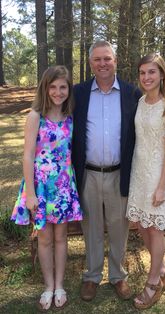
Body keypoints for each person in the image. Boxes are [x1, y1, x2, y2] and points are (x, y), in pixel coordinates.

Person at [72, 40, 142, 301]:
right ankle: (91, 276)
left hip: (118, 173)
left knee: (118, 227)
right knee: (91, 227)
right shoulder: (77, 93)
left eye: (107, 58)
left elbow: (143, 130)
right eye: (97, 59)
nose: (102, 63)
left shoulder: (130, 93)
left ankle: (118, 275)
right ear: (90, 63)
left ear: (115, 61)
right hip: (88, 173)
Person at [11, 65, 83, 311]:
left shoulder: (70, 117)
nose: (58, 92)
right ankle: (48, 286)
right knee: (44, 239)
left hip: (63, 186)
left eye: (62, 87)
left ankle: (60, 285)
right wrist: (30, 193)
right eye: (52, 86)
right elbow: (28, 155)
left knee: (61, 238)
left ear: (68, 89)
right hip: (40, 188)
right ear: (45, 88)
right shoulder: (35, 116)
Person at [126, 53, 165, 310]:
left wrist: (162, 186)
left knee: (154, 228)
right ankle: (163, 269)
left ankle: (153, 283)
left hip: (158, 176)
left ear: (161, 74)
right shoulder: (140, 102)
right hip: (139, 173)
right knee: (140, 225)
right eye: (142, 73)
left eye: (151, 72)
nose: (146, 77)